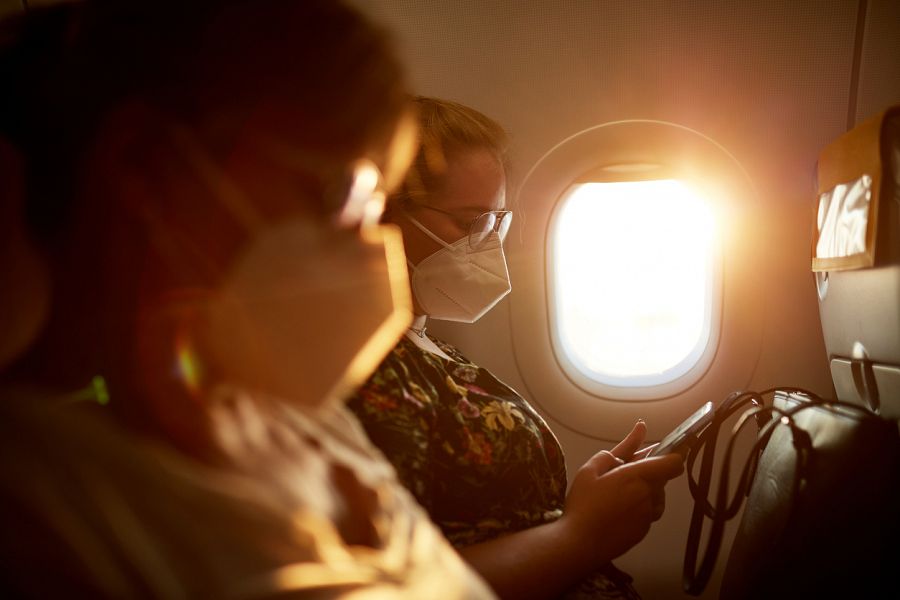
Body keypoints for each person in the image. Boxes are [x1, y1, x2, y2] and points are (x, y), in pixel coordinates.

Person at [0, 2, 494, 597]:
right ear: (146, 167)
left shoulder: (313, 425)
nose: (371, 245)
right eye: (343, 193)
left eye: (377, 202)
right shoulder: (41, 501)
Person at [347, 97, 684, 600]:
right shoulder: (362, 371)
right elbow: (395, 587)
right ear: (380, 214)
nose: (488, 247)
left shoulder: (431, 347)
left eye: (495, 224)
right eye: (469, 224)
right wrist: (581, 535)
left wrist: (585, 508)